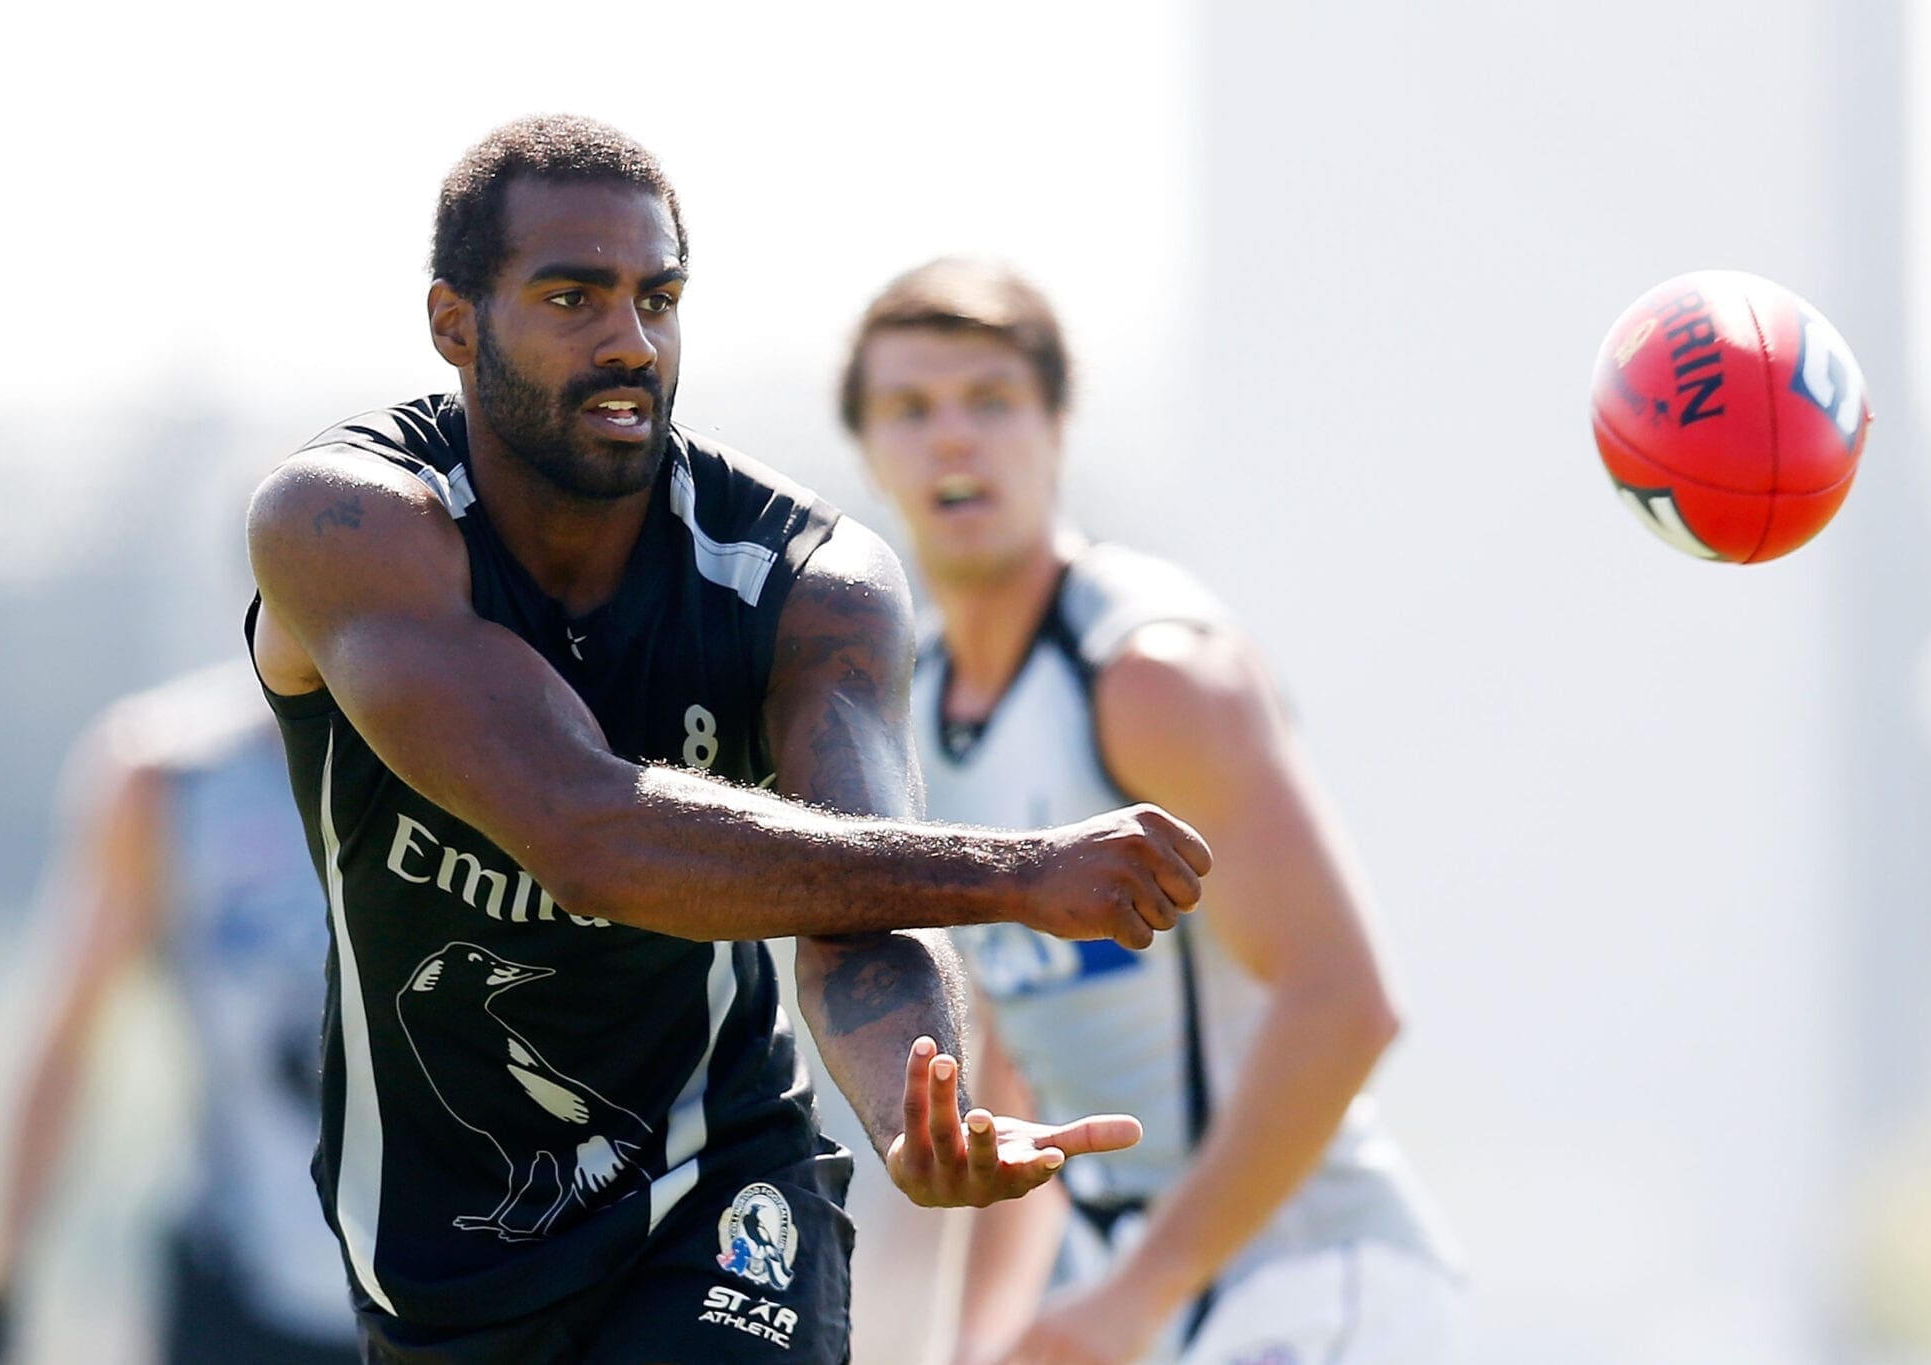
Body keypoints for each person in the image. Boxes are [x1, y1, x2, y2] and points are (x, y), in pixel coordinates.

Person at [242, 116, 1211, 1363]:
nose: (629, 343)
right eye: (571, 297)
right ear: (454, 324)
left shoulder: (808, 580)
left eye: (657, 297)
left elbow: (863, 889)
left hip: (721, 1188)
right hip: (438, 1258)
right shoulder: (346, 523)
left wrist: (920, 1110)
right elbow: (590, 836)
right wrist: (1018, 873)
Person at [842, 258, 1465, 1364]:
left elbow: (1346, 1002)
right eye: (909, 409)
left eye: (990, 401)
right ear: (870, 452)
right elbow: (1022, 1064)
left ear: (1054, 428)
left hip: (1314, 1286)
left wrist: (1139, 1294)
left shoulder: (1153, 674)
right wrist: (975, 1345)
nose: (952, 439)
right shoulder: (917, 716)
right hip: (1135, 1295)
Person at [0, 661, 359, 1364]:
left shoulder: (500, 760)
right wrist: (4, 1281)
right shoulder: (172, 777)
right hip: (241, 1295)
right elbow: (67, 1036)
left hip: (449, 1299)